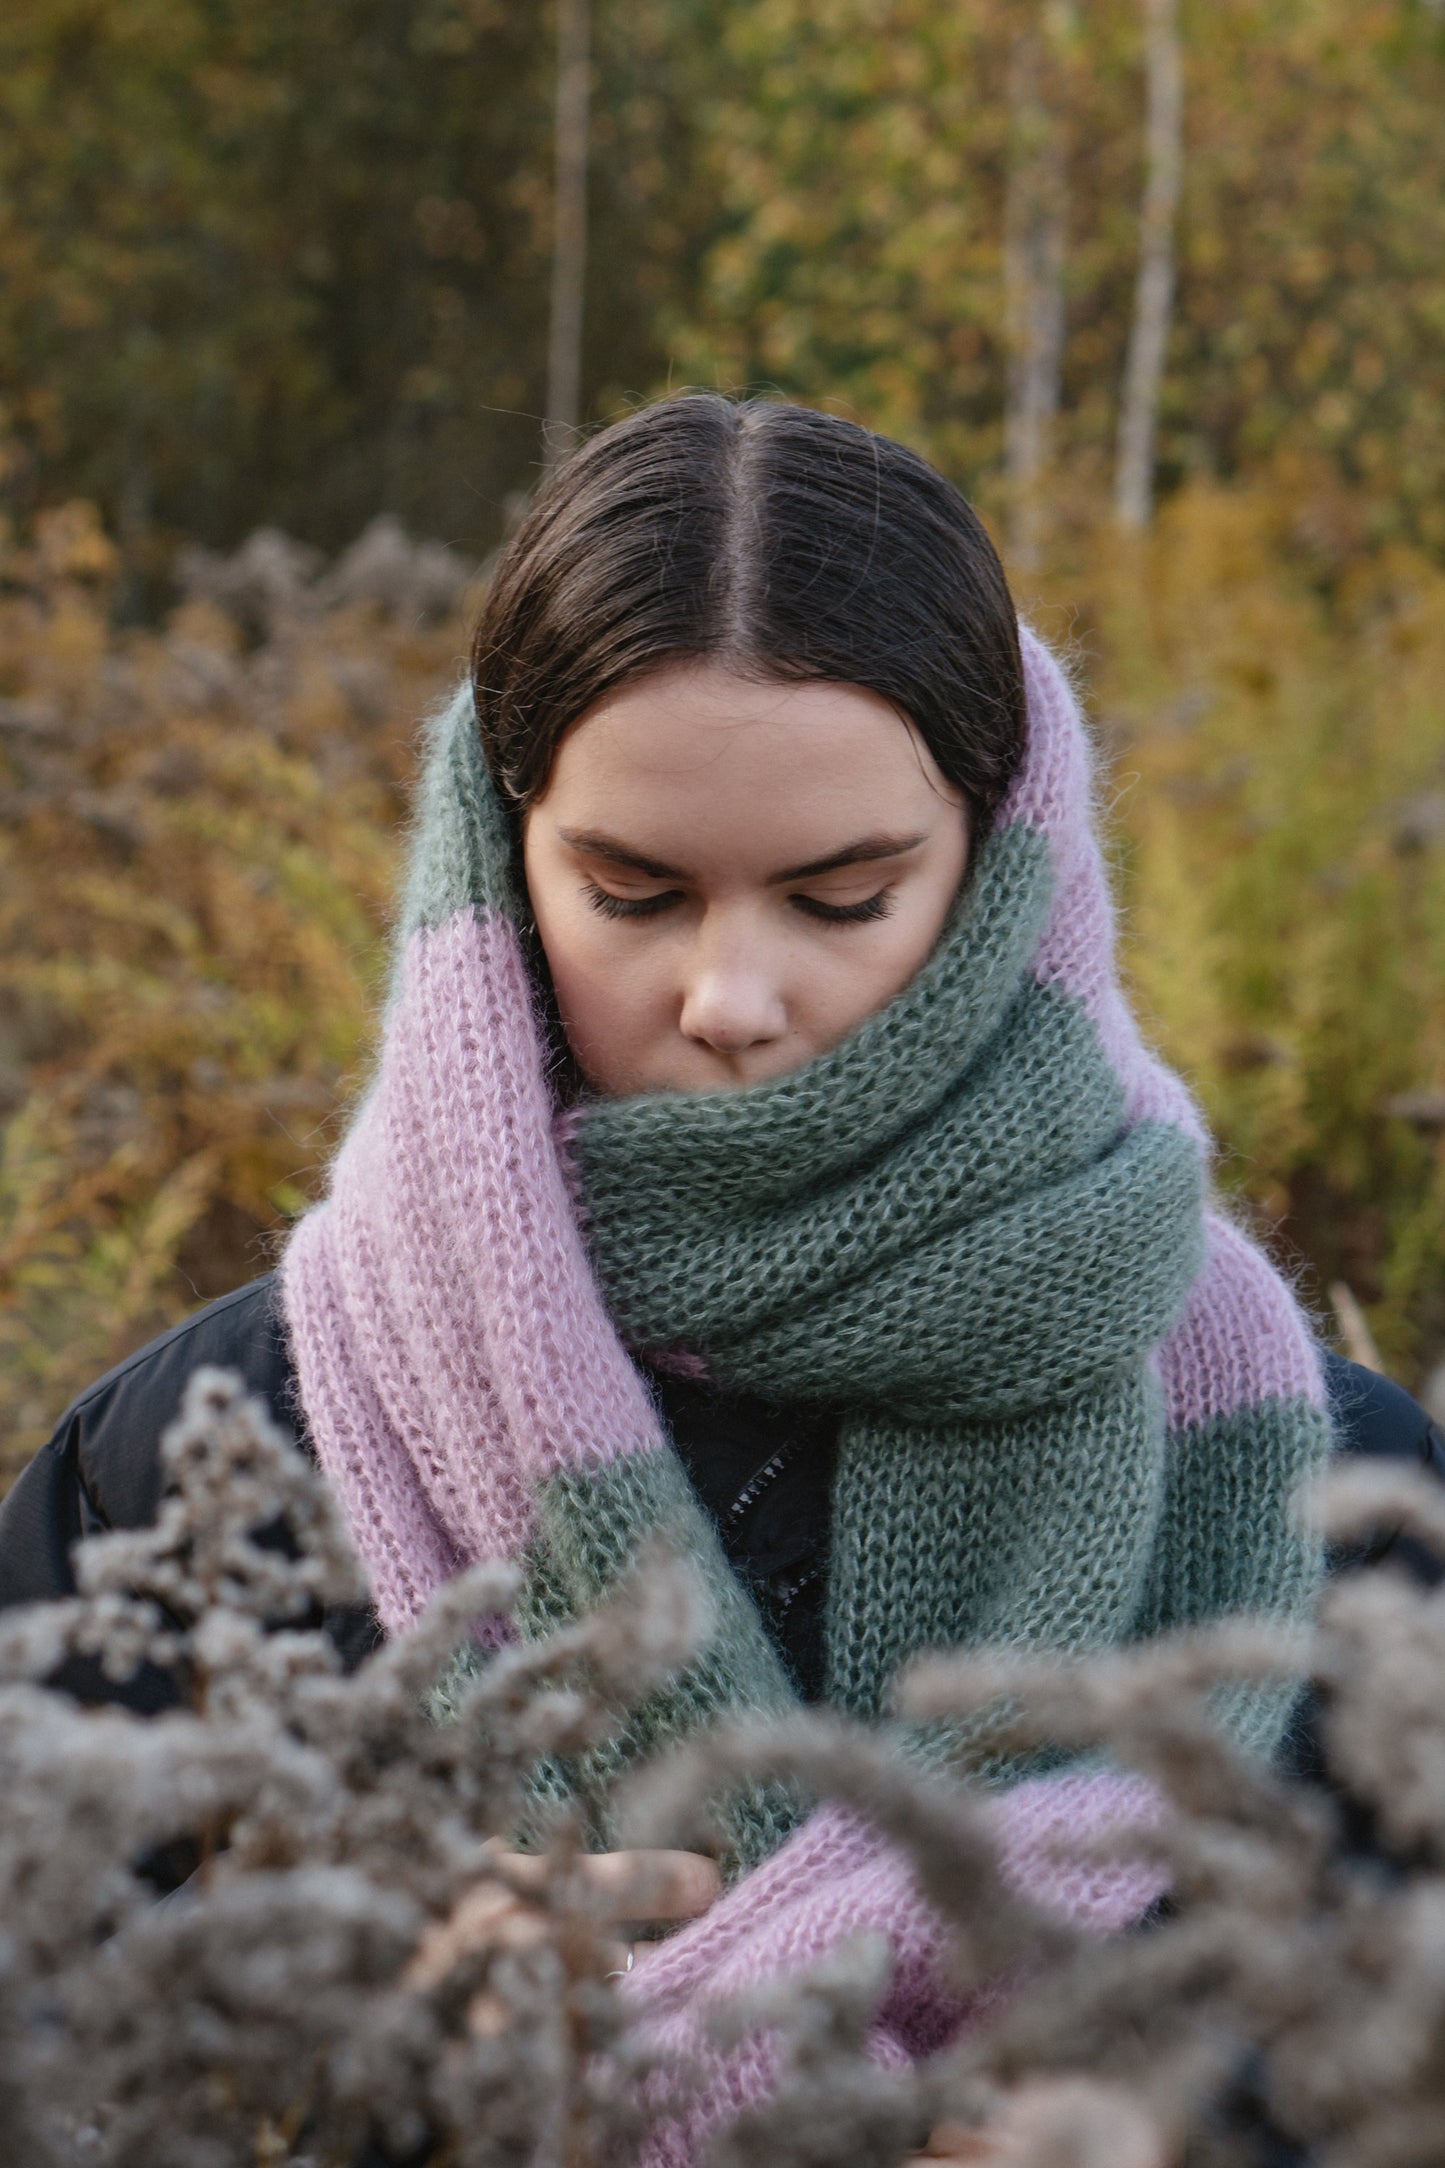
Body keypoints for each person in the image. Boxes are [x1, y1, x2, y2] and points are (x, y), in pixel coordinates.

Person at [0, 394, 1440, 2162]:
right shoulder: (214, 1465)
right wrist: (366, 2079)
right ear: (501, 865)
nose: (728, 998)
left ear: (996, 869)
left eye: (842, 899)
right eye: (631, 893)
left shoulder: (1325, 1493)